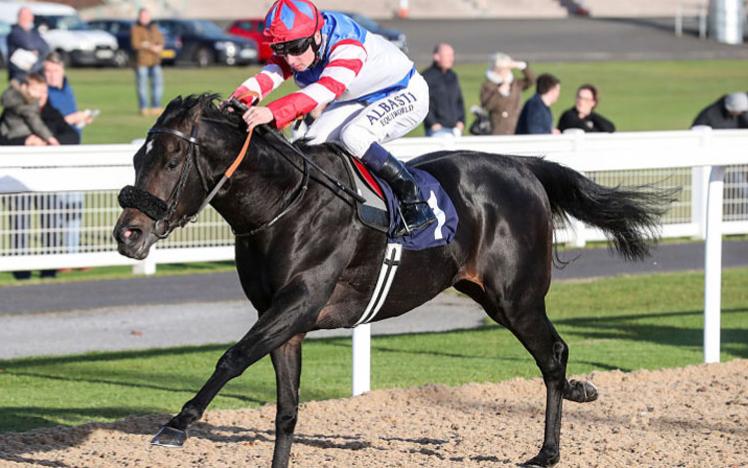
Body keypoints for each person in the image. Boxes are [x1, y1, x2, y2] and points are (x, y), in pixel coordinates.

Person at [230, 0, 435, 235]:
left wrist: (273, 112)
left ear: (316, 36)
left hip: (405, 92)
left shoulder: (347, 45)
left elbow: (325, 91)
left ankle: (413, 200)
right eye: (281, 50)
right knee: (312, 143)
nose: (290, 60)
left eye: (295, 49)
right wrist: (237, 99)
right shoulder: (301, 41)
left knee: (354, 136)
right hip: (360, 96)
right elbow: (270, 74)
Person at [0, 74, 79, 279]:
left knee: (51, 219)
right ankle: (21, 269)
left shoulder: (52, 114)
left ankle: (50, 268)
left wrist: (47, 143)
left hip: (47, 175)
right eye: (38, 91)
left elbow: (72, 136)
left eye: (44, 92)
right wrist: (24, 142)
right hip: (19, 174)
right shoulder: (13, 112)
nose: (41, 96)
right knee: (19, 221)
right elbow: (3, 140)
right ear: (27, 89)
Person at [43, 52, 92, 256]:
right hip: (54, 156)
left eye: (55, 70)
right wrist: (72, 119)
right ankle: (57, 254)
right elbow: (49, 124)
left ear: (62, 70)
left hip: (73, 154)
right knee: (55, 209)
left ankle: (72, 252)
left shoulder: (66, 89)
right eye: (47, 71)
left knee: (75, 206)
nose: (51, 75)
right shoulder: (43, 93)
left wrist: (80, 120)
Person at [479, 52, 535, 135]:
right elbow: (487, 106)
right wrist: (499, 93)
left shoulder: (514, 83)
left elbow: (531, 80)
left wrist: (521, 66)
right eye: (503, 69)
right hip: (498, 128)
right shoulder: (488, 85)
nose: (505, 71)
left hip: (516, 127)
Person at [421, 43, 465, 137]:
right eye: (448, 55)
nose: (451, 59)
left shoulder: (453, 76)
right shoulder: (426, 77)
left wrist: (461, 120)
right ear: (436, 56)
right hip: (437, 131)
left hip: (455, 129)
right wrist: (432, 123)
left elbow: (459, 101)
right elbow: (422, 103)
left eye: (452, 55)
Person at [131, 8, 164, 116]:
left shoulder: (154, 28)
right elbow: (136, 44)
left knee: (157, 85)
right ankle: (143, 107)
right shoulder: (135, 28)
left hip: (155, 61)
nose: (144, 18)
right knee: (142, 86)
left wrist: (157, 46)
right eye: (142, 16)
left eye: (146, 16)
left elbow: (160, 40)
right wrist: (150, 46)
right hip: (142, 62)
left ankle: (156, 106)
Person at [6, 7, 50, 82]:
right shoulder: (14, 33)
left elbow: (45, 47)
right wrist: (34, 49)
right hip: (19, 74)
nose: (25, 18)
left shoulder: (34, 32)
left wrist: (36, 50)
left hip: (35, 72)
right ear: (18, 17)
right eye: (23, 16)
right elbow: (28, 45)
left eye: (28, 16)